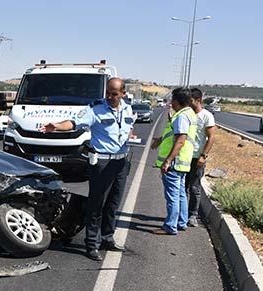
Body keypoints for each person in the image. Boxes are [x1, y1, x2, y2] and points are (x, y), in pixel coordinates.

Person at [40, 78, 133, 261]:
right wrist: (57, 127)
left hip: (121, 163)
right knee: (96, 204)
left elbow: (126, 127)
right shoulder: (96, 109)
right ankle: (92, 244)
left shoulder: (127, 108)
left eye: (114, 94)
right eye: (107, 93)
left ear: (123, 93)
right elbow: (74, 122)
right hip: (102, 163)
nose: (109, 97)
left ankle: (107, 237)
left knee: (113, 203)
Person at [150, 87, 198, 235]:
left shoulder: (181, 116)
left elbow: (180, 140)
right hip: (183, 162)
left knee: (172, 196)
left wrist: (167, 161)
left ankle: (171, 226)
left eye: (172, 99)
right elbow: (174, 136)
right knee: (181, 193)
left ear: (177, 101)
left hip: (175, 162)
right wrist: (160, 140)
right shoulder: (190, 113)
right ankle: (181, 222)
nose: (171, 102)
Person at [186, 88, 216, 227]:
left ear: (198, 100)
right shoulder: (187, 114)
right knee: (183, 187)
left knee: (194, 188)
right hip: (185, 157)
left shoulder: (206, 116)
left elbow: (211, 138)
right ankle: (181, 215)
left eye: (191, 100)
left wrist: (203, 156)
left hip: (198, 157)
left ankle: (192, 215)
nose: (188, 102)